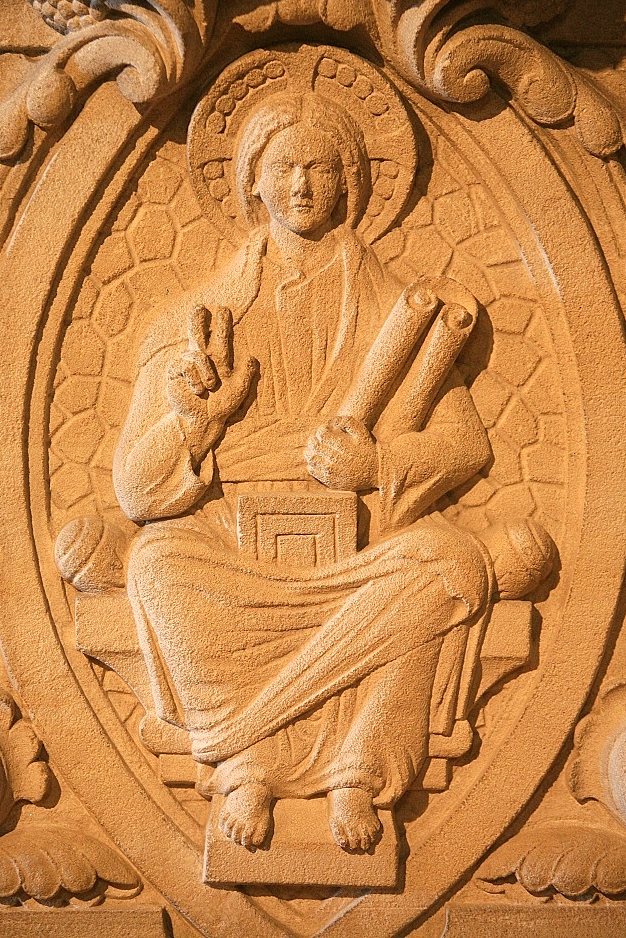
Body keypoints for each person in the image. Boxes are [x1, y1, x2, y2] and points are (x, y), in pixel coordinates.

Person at [113, 91, 549, 852]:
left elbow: (465, 445)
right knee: (154, 562)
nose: (301, 186)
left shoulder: (393, 307)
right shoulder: (199, 320)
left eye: (319, 168)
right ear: (251, 181)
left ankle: (359, 769)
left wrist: (378, 462)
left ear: (349, 181)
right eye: (283, 168)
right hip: (233, 546)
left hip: (361, 547)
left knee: (448, 563)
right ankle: (244, 760)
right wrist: (197, 423)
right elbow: (135, 492)